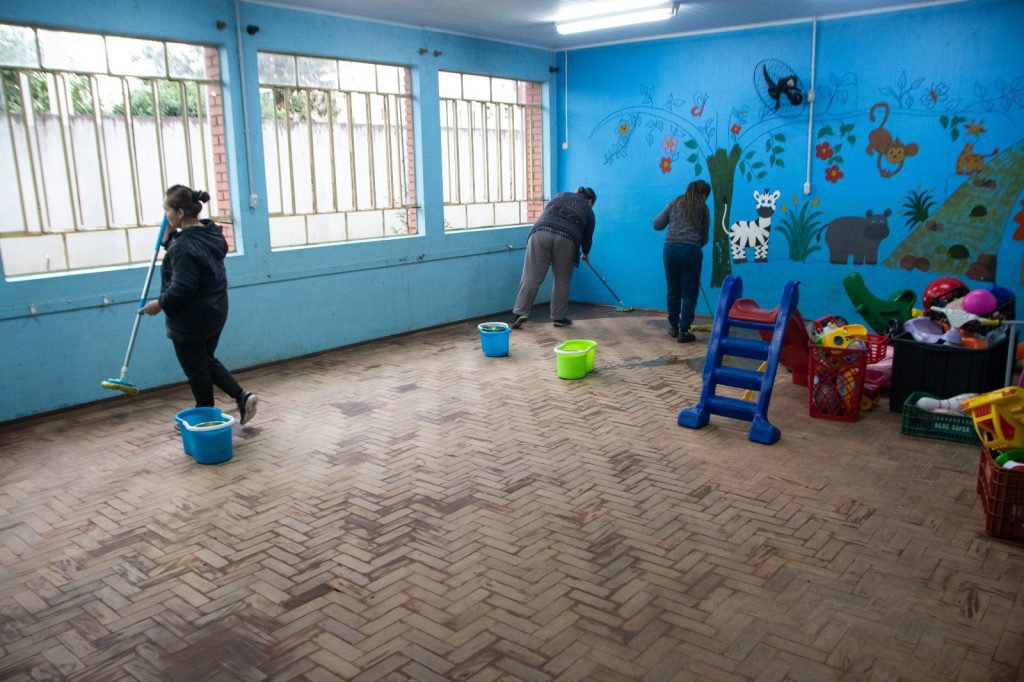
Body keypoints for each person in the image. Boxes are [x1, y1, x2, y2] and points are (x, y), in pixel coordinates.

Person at [141, 185, 258, 424]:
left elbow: (183, 287)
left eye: (167, 210)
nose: (165, 216)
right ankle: (242, 397)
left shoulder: (183, 246)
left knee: (196, 369)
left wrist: (159, 304)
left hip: (191, 318)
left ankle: (205, 417)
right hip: (215, 311)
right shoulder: (210, 232)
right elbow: (193, 254)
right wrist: (170, 241)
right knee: (205, 360)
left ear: (180, 213)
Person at [511, 186, 597, 328]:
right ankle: (558, 317)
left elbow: (547, 213)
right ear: (590, 200)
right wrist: (585, 253)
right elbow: (587, 238)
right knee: (562, 280)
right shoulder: (588, 209)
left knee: (531, 276)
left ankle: (519, 313)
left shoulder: (560, 195)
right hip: (566, 239)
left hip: (540, 233)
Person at [653, 179, 711, 343]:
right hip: (690, 251)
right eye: (706, 196)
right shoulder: (703, 209)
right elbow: (704, 237)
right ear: (704, 194)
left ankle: (673, 327)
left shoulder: (675, 202)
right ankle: (684, 331)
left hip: (670, 250)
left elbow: (657, 224)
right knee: (689, 293)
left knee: (673, 290)